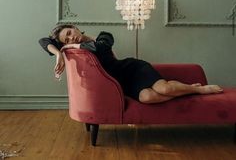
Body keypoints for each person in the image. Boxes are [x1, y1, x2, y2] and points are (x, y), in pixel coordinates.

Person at [39, 24, 223, 104]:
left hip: (133, 69)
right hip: (122, 82)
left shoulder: (103, 36)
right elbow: (43, 40)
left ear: (76, 27)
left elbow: (100, 48)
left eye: (70, 32)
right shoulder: (70, 48)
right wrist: (58, 54)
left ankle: (197, 89)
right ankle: (184, 92)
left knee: (165, 90)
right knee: (147, 98)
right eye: (67, 39)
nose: (71, 37)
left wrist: (74, 44)